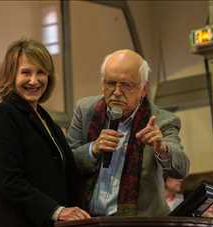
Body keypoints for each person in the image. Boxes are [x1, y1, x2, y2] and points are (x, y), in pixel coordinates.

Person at [0, 39, 90, 227]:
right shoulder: (2, 115)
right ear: (11, 76)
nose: (34, 80)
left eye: (41, 72)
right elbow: (9, 180)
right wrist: (57, 211)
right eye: (25, 72)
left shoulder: (45, 118)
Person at [67, 49, 190, 217]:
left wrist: (162, 149)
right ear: (102, 84)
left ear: (143, 89)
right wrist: (92, 149)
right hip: (89, 222)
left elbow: (181, 169)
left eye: (126, 85)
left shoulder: (162, 120)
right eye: (111, 83)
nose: (117, 92)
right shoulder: (85, 110)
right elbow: (67, 162)